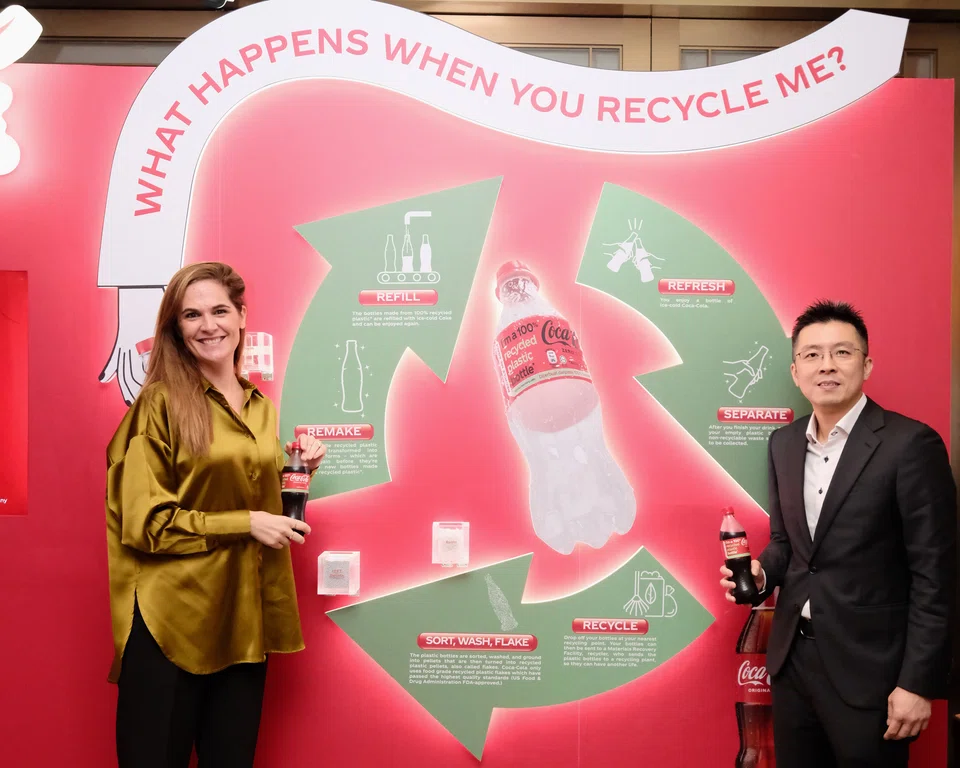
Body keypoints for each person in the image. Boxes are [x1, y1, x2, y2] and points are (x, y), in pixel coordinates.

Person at [105, 261, 327, 768]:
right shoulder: (158, 403)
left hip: (243, 620)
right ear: (175, 328)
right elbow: (147, 524)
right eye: (192, 315)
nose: (209, 325)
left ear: (242, 316)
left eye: (220, 310)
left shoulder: (259, 406)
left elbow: (258, 500)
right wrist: (246, 523)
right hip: (172, 622)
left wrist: (300, 472)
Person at [720, 300, 956, 767]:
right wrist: (761, 575)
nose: (826, 364)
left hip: (874, 673)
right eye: (812, 355)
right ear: (794, 371)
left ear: (866, 364)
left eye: (842, 353)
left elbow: (937, 575)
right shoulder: (783, 443)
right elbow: (789, 544)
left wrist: (917, 684)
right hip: (794, 664)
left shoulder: (911, 445)